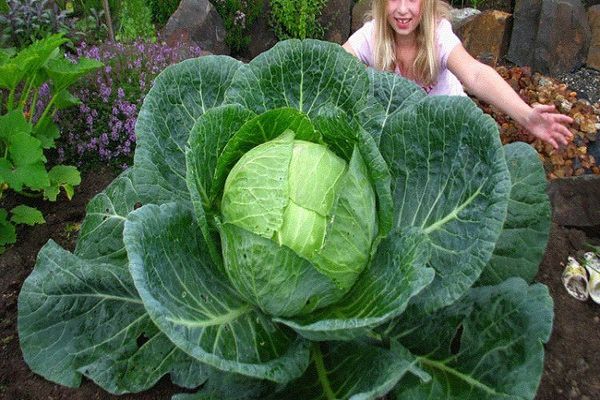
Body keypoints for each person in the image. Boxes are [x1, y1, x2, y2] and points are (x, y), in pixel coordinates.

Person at [343, 0, 573, 149]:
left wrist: (526, 116)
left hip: (449, 131)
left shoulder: (438, 34)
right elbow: (334, 67)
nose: (403, 10)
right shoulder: (370, 36)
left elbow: (475, 75)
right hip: (400, 137)